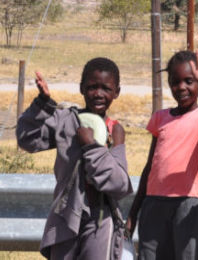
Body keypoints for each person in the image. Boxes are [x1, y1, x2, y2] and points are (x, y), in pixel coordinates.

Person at [16, 57, 133, 260]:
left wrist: (91, 147)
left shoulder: (115, 130)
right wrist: (42, 103)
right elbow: (27, 140)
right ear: (81, 88)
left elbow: (119, 184)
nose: (98, 94)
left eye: (106, 88)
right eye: (92, 87)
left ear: (117, 92)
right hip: (66, 214)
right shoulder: (66, 121)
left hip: (101, 218)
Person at [124, 49, 198, 260]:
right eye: (175, 81)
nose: (181, 87)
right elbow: (150, 166)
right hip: (153, 204)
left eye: (189, 81)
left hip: (187, 204)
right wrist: (134, 213)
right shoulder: (160, 118)